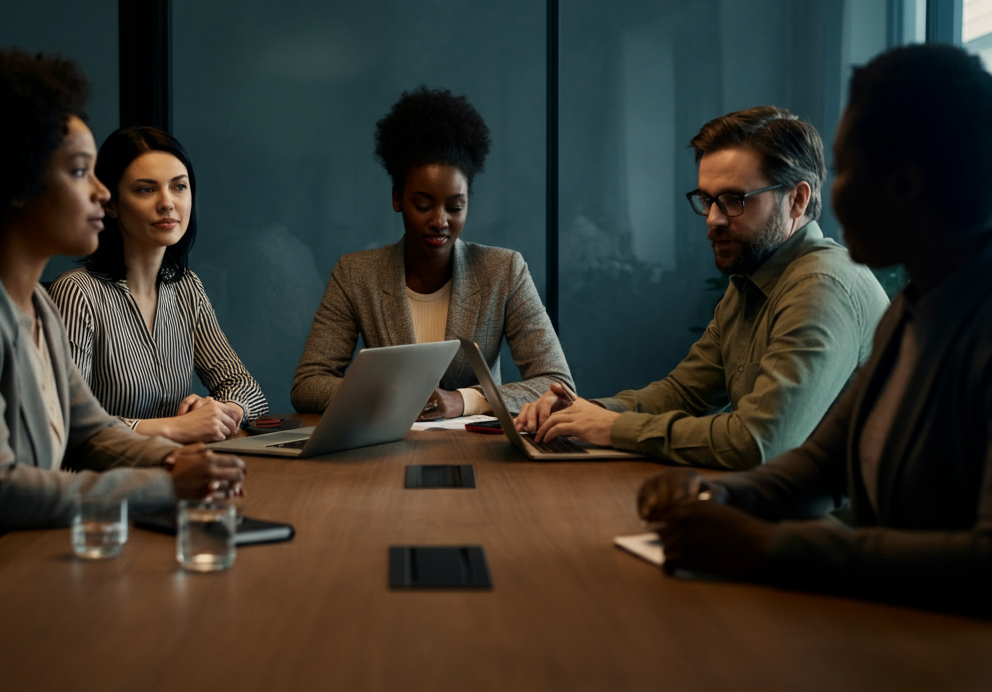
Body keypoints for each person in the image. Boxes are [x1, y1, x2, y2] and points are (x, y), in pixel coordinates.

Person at [638, 43, 992, 614]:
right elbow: (824, 461)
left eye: (846, 169)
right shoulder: (916, 307)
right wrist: (721, 492)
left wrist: (766, 546)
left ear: (903, 184)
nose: (829, 197)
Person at [0, 48, 245, 550]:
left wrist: (174, 459)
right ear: (15, 183)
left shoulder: (38, 305)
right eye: (79, 172)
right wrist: (164, 481)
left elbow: (91, 432)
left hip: (35, 557)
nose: (101, 193)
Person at [515, 106, 889, 468]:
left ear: (798, 199)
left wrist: (614, 428)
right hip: (768, 505)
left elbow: (758, 443)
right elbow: (684, 393)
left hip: (831, 525)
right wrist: (587, 412)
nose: (713, 219)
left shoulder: (820, 286)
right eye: (707, 200)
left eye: (733, 200)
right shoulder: (752, 275)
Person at [291, 86, 573, 418]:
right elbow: (308, 385)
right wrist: (394, 393)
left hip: (478, 450)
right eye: (423, 205)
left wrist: (465, 400)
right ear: (397, 199)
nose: (440, 221)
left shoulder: (504, 270)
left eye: (455, 207)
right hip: (385, 450)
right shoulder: (356, 274)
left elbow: (556, 382)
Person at [48, 127, 268, 443]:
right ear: (110, 204)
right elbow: (65, 420)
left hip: (177, 471)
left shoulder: (185, 287)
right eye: (145, 190)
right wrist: (175, 428)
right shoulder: (78, 292)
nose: (167, 203)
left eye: (179, 186)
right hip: (104, 483)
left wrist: (223, 411)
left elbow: (246, 388)